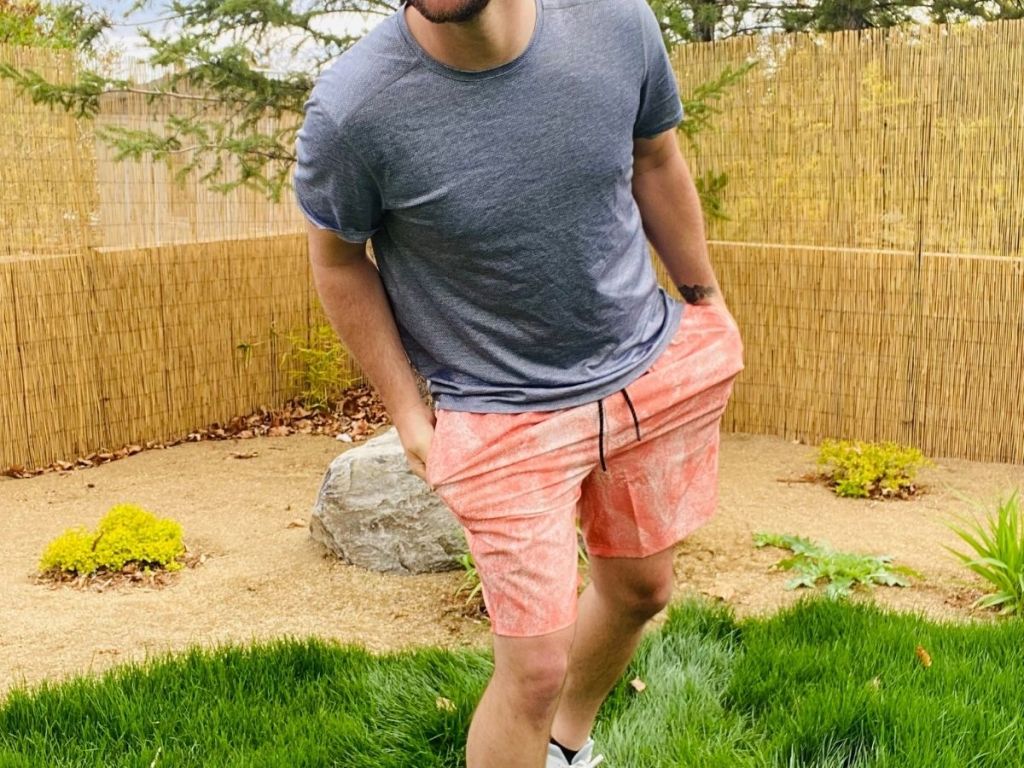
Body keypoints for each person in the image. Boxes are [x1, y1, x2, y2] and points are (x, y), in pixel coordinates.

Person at [293, 0, 744, 765]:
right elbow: (338, 263)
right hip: (500, 415)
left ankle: (565, 749)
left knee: (641, 591)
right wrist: (408, 414)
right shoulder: (353, 109)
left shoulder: (615, 24)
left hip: (642, 371)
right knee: (532, 669)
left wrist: (706, 301)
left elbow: (655, 158)